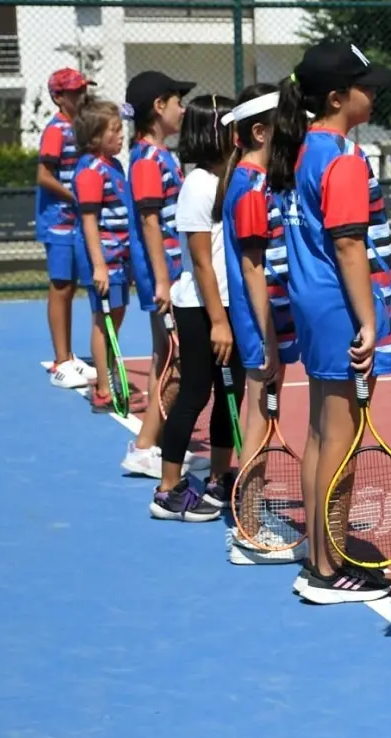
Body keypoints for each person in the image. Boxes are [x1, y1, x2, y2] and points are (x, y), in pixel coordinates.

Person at [267, 41, 391, 604]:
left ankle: (324, 553)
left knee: (323, 434)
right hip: (338, 308)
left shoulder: (301, 151)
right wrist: (368, 323)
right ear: (335, 97)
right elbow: (349, 246)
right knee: (339, 442)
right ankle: (327, 567)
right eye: (363, 85)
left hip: (312, 304)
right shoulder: (343, 158)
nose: (373, 93)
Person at [216, 82, 308, 565]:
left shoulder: (255, 182)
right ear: (258, 131)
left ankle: (252, 517)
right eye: (281, 126)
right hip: (260, 328)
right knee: (257, 421)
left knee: (262, 416)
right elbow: (252, 269)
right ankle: (249, 529)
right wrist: (269, 338)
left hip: (265, 326)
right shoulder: (250, 187)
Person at [150, 94, 244, 522]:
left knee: (231, 394)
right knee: (195, 393)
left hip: (230, 306)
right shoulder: (198, 184)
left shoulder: (233, 178)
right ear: (217, 132)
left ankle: (220, 478)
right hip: (201, 309)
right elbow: (202, 261)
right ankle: (167, 487)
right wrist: (219, 322)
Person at [122, 70, 204, 478]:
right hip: (166, 275)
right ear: (159, 107)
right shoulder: (148, 159)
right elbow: (150, 223)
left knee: (166, 356)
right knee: (171, 356)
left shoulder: (159, 155)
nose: (183, 109)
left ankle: (150, 442)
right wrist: (161, 280)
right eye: (177, 101)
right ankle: (145, 446)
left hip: (170, 271)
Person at [71, 99, 131, 413]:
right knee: (102, 320)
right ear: (95, 136)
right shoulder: (91, 171)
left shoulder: (114, 165)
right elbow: (90, 220)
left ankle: (108, 374)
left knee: (115, 318)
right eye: (115, 130)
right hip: (104, 258)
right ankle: (104, 389)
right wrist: (99, 265)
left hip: (120, 256)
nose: (122, 135)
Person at [38, 67, 96, 390]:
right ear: (58, 97)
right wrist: (76, 196)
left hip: (76, 222)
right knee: (61, 287)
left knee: (72, 287)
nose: (81, 96)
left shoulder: (81, 127)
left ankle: (70, 356)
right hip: (58, 222)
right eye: (75, 92)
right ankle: (61, 361)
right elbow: (44, 176)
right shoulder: (56, 129)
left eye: (83, 90)